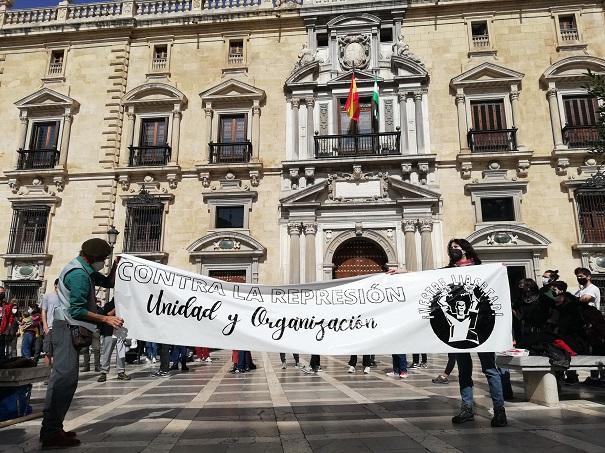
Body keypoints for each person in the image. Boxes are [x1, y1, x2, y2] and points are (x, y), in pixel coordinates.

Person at [39, 238, 123, 449]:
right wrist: (106, 319)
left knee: (64, 380)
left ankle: (53, 429)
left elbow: (108, 283)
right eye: (103, 259)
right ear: (92, 258)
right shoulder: (79, 275)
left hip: (68, 327)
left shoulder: (83, 268)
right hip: (66, 328)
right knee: (64, 381)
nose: (103, 262)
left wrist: (115, 267)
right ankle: (51, 433)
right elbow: (76, 310)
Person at [445, 239, 507, 427]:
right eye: (451, 249)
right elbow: (424, 278)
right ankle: (466, 408)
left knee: (490, 369)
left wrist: (500, 272)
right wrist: (402, 274)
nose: (453, 250)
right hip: (457, 329)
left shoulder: (482, 270)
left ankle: (499, 411)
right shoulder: (448, 272)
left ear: (465, 249)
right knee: (464, 370)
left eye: (456, 247)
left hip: (482, 327)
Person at [97, 298, 130, 383]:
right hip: (109, 332)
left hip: (121, 332)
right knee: (106, 352)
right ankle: (104, 372)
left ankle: (121, 372)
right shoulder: (109, 305)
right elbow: (108, 315)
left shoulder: (125, 305)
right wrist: (117, 307)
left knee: (121, 353)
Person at [41, 279, 60, 366]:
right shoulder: (47, 296)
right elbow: (44, 311)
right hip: (50, 326)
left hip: (61, 327)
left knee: (59, 352)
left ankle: (56, 374)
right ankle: (46, 374)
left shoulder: (66, 297)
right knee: (48, 351)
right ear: (55, 285)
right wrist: (45, 325)